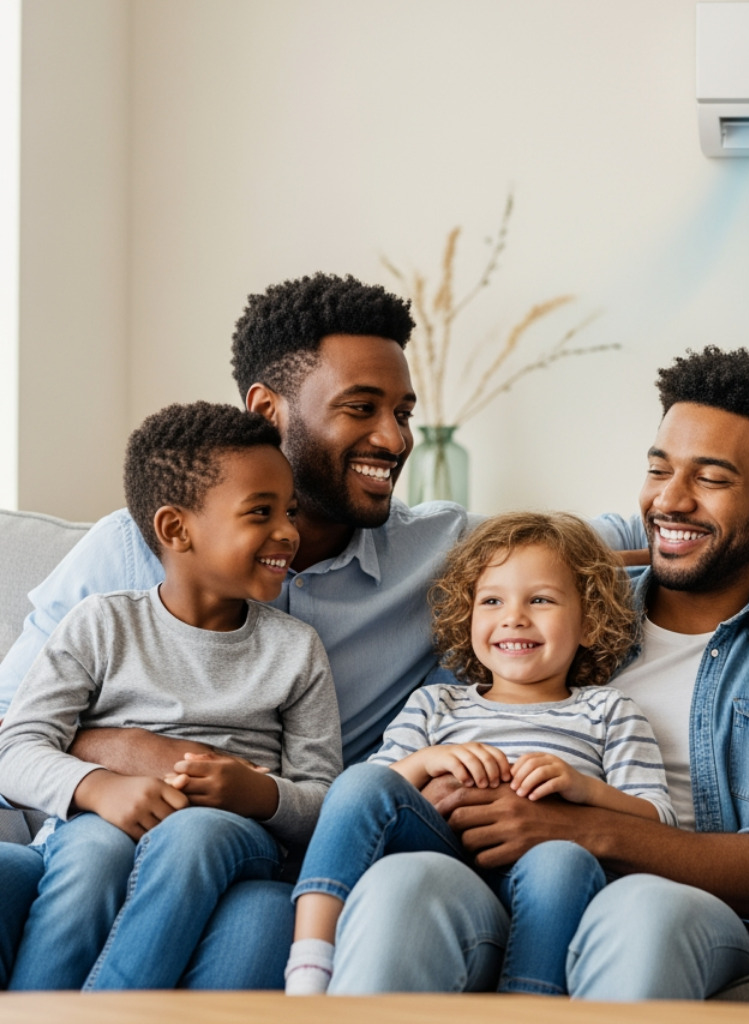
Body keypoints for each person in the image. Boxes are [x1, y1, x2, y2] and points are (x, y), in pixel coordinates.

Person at [324, 346, 749, 999]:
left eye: (710, 480)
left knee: (642, 914)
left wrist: (585, 832)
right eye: (659, 469)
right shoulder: (555, 604)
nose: (670, 500)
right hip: (489, 876)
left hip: (683, 903)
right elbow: (520, 567)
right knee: (403, 885)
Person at [0, 273, 470, 988]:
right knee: (84, 859)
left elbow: (581, 546)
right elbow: (13, 730)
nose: (395, 437)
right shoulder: (119, 563)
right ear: (268, 409)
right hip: (100, 829)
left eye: (403, 411)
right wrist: (122, 759)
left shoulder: (437, 559)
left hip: (255, 849)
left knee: (252, 913)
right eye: (361, 408)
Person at [0, 402, 342, 989]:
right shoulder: (101, 624)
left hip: (233, 835)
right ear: (175, 529)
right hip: (103, 824)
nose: (289, 532)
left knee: (194, 832)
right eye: (260, 513)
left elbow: (324, 799)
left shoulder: (296, 649)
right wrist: (97, 787)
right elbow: (17, 747)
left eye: (290, 511)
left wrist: (258, 792)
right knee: (91, 855)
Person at [284, 511, 670, 995]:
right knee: (358, 782)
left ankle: (529, 1000)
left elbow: (656, 819)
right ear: (467, 618)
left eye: (541, 600)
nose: (514, 616)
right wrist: (428, 762)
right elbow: (368, 795)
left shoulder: (608, 710)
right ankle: (309, 965)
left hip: (539, 877)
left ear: (589, 622)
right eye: (491, 600)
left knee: (562, 862)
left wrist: (583, 788)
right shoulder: (435, 703)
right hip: (441, 852)